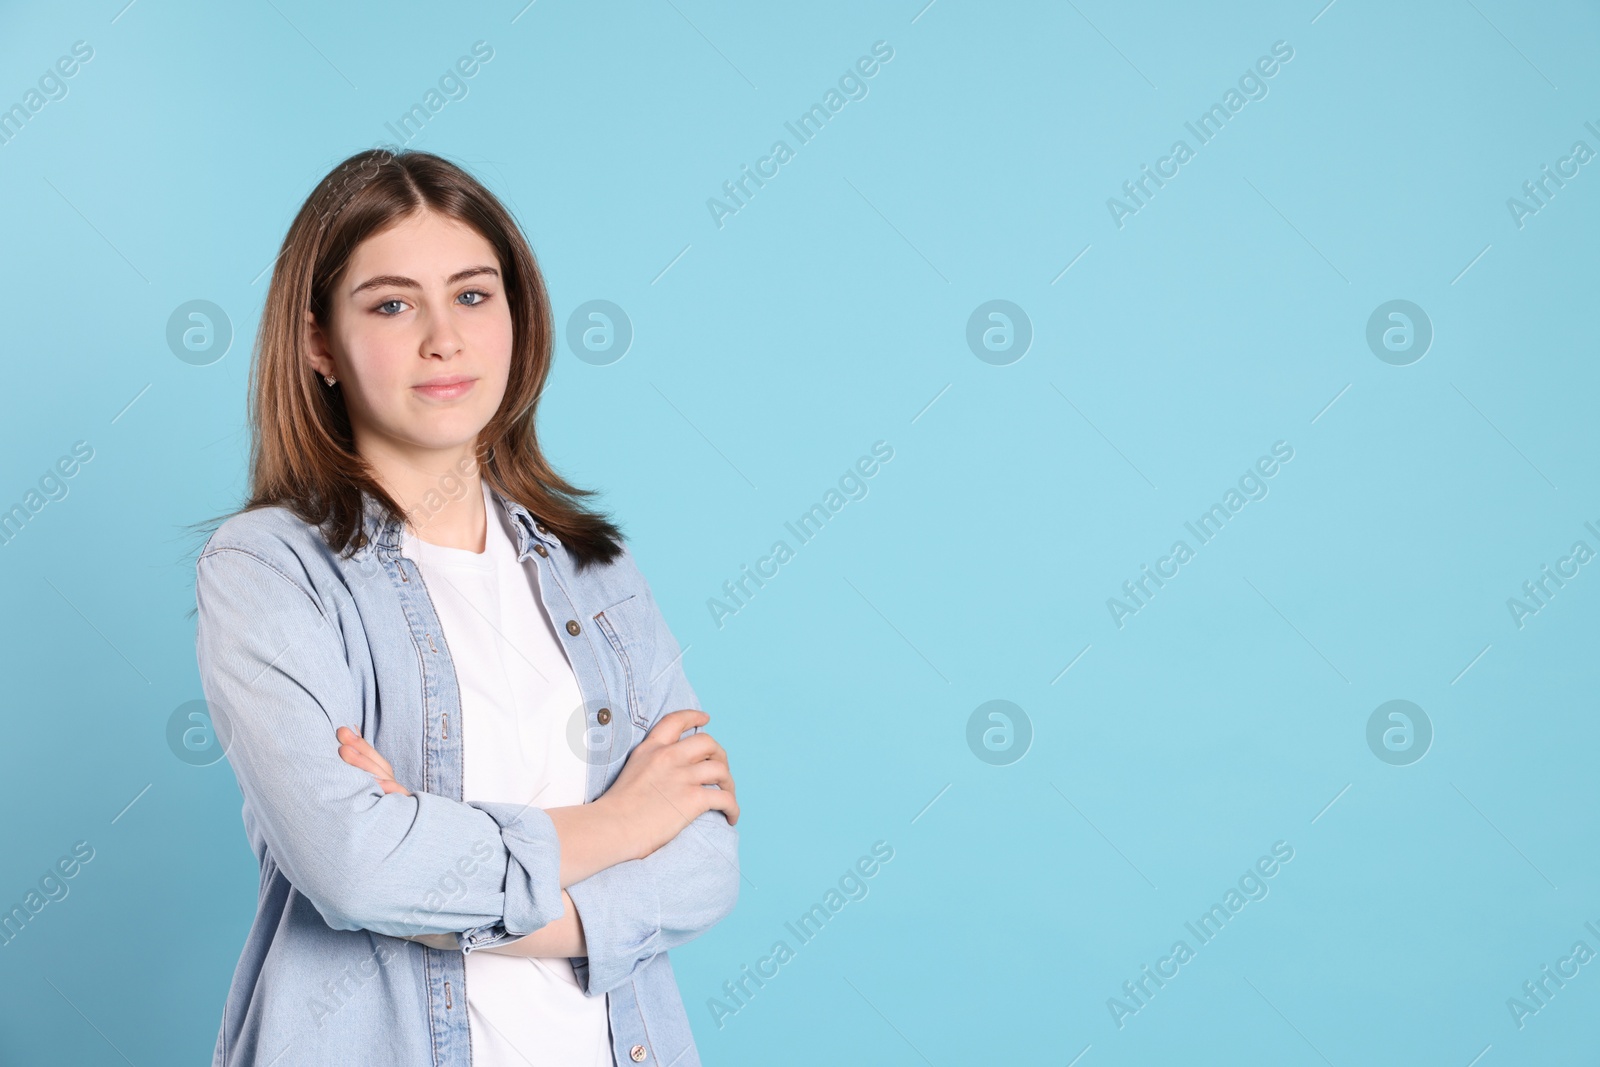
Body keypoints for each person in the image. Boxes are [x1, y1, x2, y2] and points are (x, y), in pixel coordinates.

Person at [191, 147, 740, 1066]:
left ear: (517, 319)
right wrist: (616, 825)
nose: (443, 338)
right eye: (392, 303)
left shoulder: (595, 567)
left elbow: (701, 867)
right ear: (319, 341)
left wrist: (442, 884)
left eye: (475, 295)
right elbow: (355, 867)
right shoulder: (269, 569)